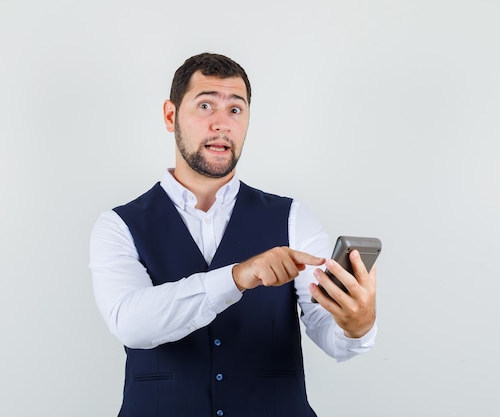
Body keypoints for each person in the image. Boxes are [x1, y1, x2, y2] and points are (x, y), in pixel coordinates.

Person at [89, 52, 377, 417]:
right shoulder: (118, 225)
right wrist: (237, 276)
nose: (221, 124)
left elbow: (328, 329)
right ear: (170, 115)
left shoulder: (294, 218)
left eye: (235, 110)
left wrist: (357, 326)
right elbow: (131, 323)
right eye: (206, 105)